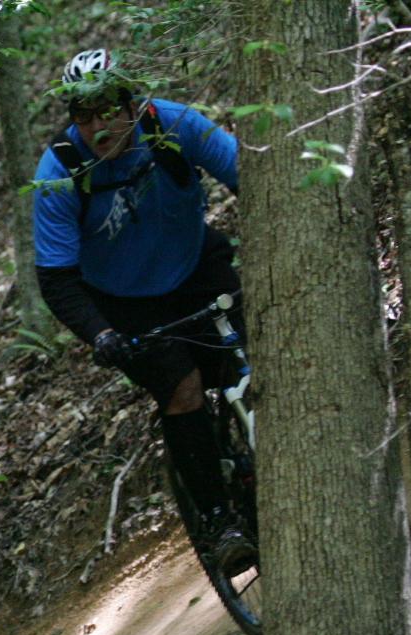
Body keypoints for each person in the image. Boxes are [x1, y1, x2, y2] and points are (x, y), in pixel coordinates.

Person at [32, 49, 248, 562]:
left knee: (255, 356)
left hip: (195, 264)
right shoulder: (59, 170)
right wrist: (101, 334)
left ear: (132, 104)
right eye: (81, 114)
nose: (97, 125)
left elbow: (252, 176)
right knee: (183, 388)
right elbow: (57, 278)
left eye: (107, 108)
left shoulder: (173, 125)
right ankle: (218, 522)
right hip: (125, 300)